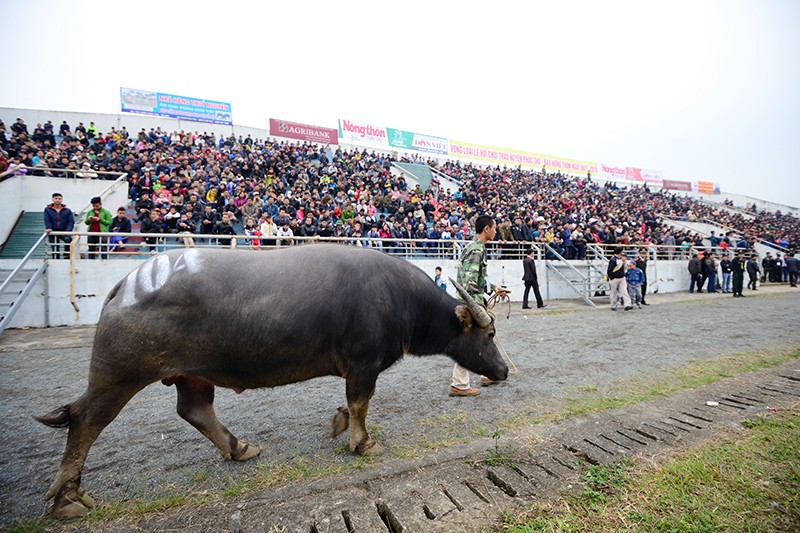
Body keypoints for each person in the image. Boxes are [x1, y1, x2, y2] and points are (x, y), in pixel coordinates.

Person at [450, 215, 509, 397]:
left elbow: (477, 280)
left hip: (470, 301)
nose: (496, 231)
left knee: (482, 339)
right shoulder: (476, 250)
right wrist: (478, 308)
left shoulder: (475, 247)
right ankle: (459, 384)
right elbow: (469, 284)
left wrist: (493, 289)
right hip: (470, 304)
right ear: (486, 229)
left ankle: (486, 374)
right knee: (471, 343)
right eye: (494, 228)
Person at [43, 192, 75, 259]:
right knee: (55, 247)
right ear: (52, 199)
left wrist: (68, 230)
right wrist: (49, 228)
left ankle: (66, 256)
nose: (58, 200)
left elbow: (71, 221)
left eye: (59, 198)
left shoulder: (67, 210)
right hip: (53, 231)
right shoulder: (48, 210)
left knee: (68, 239)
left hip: (64, 230)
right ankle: (55, 259)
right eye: (56, 198)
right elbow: (47, 220)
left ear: (62, 200)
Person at [607, 246, 632, 311]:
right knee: (613, 292)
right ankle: (613, 305)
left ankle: (627, 304)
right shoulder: (613, 259)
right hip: (614, 278)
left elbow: (624, 268)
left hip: (622, 277)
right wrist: (611, 278)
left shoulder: (621, 259)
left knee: (624, 291)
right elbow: (609, 270)